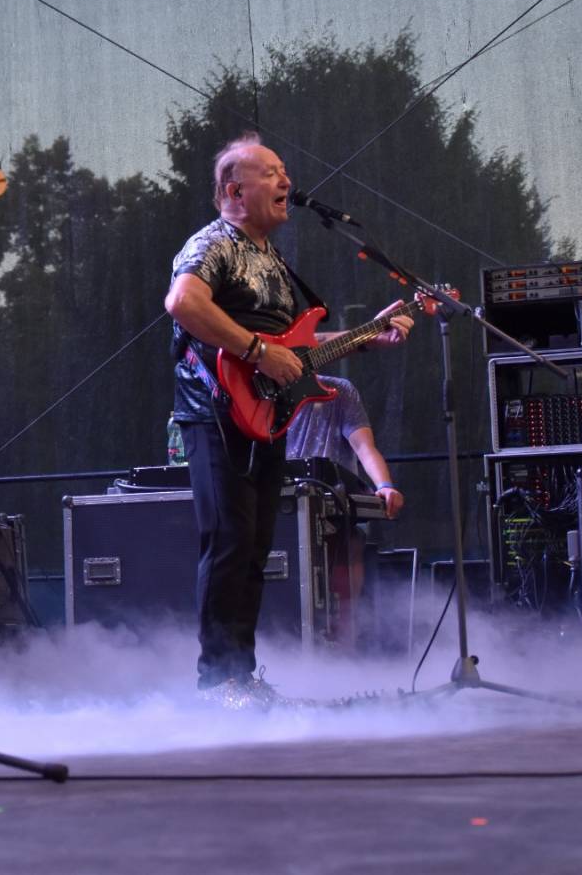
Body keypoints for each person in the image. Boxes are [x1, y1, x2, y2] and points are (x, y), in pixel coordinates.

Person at [164, 133, 412, 706]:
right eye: (272, 172)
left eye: (285, 171)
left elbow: (292, 353)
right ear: (234, 192)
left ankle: (241, 676)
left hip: (266, 415)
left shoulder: (271, 256)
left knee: (253, 547)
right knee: (228, 542)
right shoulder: (213, 243)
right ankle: (216, 683)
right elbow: (183, 304)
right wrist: (256, 351)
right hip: (215, 412)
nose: (287, 181)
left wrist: (367, 337)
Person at [285, 373, 404, 519]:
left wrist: (384, 485)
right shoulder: (264, 399)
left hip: (337, 509)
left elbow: (364, 448)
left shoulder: (339, 390)